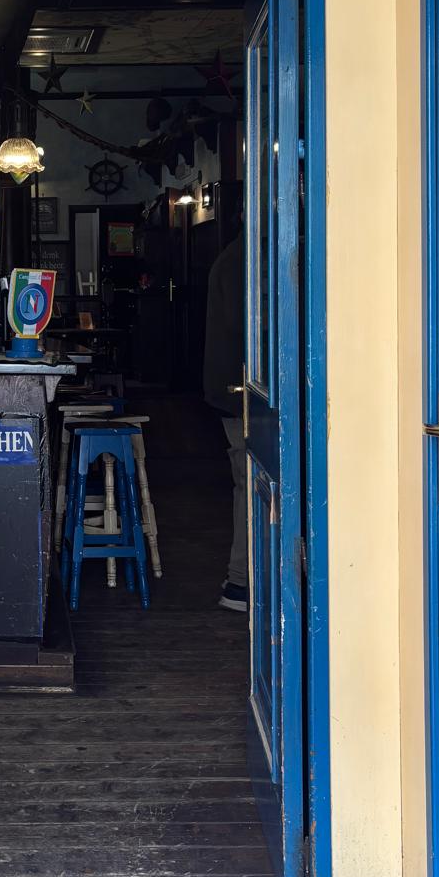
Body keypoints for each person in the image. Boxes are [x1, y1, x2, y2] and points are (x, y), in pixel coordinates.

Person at [203, 228, 248, 613]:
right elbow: (241, 322)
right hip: (240, 390)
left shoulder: (235, 256)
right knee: (249, 484)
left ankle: (243, 579)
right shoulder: (241, 261)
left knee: (246, 482)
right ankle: (240, 584)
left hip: (232, 389)